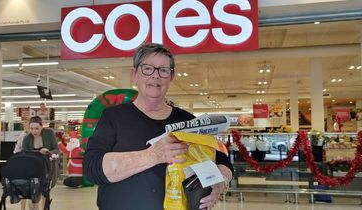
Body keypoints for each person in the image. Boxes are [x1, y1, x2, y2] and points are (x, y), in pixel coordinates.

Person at [83, 43, 233, 210]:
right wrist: (153, 155)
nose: (155, 76)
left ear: (171, 77)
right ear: (135, 74)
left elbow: (222, 160)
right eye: (147, 69)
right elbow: (92, 168)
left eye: (163, 70)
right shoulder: (113, 117)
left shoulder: (187, 121)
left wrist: (219, 185)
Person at [22, 116, 59, 210]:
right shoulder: (27, 138)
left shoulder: (49, 133)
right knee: (34, 193)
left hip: (47, 168)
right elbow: (24, 154)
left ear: (42, 126)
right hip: (32, 169)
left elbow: (56, 150)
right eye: (32, 129)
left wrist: (49, 152)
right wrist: (38, 152)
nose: (34, 131)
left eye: (37, 128)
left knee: (45, 192)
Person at [12, 117, 30, 210]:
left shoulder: (34, 134)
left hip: (33, 162)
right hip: (23, 162)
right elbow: (17, 148)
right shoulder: (22, 135)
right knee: (23, 185)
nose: (24, 124)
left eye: (26, 122)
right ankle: (22, 208)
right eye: (23, 122)